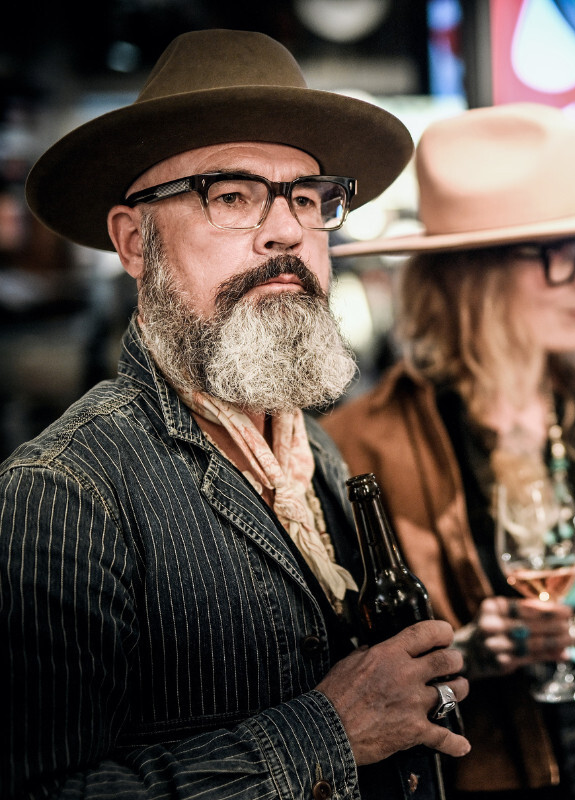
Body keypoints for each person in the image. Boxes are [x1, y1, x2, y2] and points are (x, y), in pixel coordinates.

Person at [3, 29, 470, 799]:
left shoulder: (311, 452)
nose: (287, 229)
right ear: (134, 241)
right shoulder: (63, 492)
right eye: (231, 196)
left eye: (309, 198)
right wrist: (330, 731)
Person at [321, 102, 575, 800]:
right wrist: (471, 651)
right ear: (474, 273)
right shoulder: (368, 443)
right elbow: (358, 665)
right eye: (565, 254)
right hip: (509, 774)